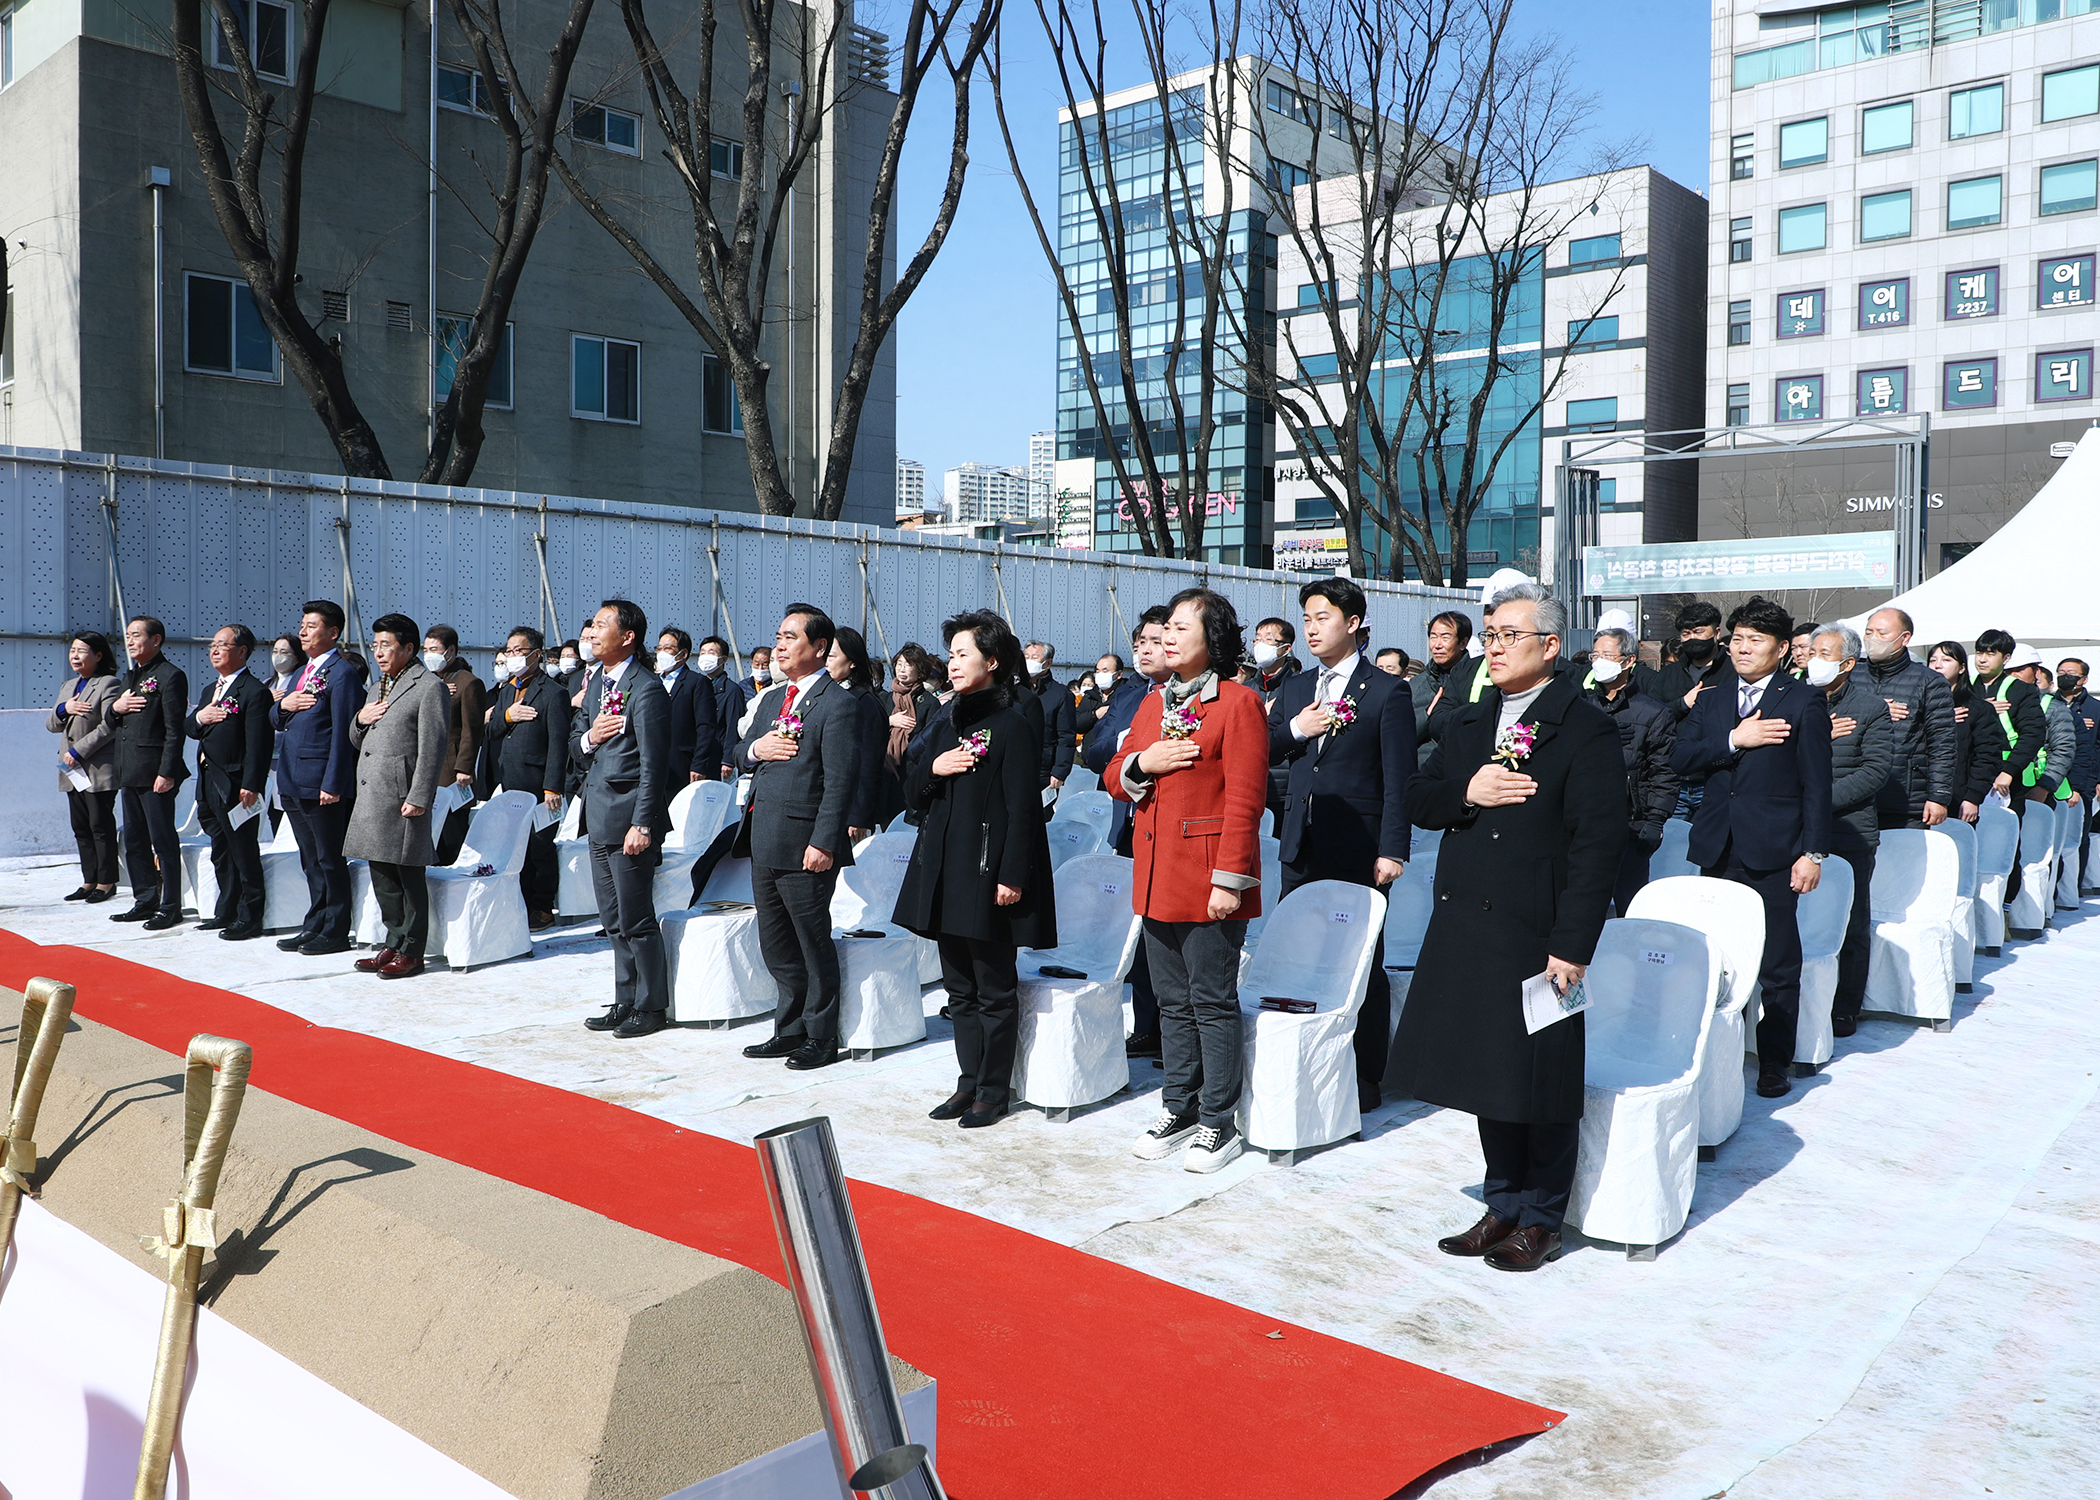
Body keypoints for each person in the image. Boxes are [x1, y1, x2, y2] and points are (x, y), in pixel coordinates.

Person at [1394, 581, 1626, 1273]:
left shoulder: (1585, 728)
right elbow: (1419, 798)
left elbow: (1598, 846)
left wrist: (1573, 946)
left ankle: (1542, 1217)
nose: (1491, 648)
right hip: (1469, 923)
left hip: (1542, 931)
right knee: (1487, 1071)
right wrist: (1468, 791)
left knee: (1545, 1074)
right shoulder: (1469, 722)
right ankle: (1503, 1200)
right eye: (1487, 636)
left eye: (1507, 637)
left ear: (1550, 647)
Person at [1106, 587, 1267, 1174]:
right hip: (1154, 875)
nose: (1166, 637)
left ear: (1212, 640)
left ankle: (1217, 1121)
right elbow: (1111, 776)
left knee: (1211, 1001)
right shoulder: (1154, 703)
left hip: (1207, 879)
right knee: (1171, 1002)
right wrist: (1140, 764)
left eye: (1179, 628)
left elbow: (1246, 800)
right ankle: (1180, 1106)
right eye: (1164, 628)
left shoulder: (1238, 703)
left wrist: (1230, 880)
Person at [894, 610, 1056, 1129]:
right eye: (952, 654)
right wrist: (933, 768)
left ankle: (993, 1088)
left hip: (988, 872)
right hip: (944, 866)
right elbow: (912, 787)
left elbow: (1024, 806)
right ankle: (967, 1082)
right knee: (958, 989)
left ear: (992, 661)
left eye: (963, 654)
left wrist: (1013, 875)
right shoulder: (948, 717)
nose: (953, 663)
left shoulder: (1014, 720)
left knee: (993, 988)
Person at [1672, 596, 1832, 1099]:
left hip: (1776, 848)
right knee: (1716, 954)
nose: (1742, 648)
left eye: (1755, 640)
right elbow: (1681, 757)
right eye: (1737, 639)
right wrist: (1734, 740)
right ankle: (1718, 1050)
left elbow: (1817, 784)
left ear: (1782, 649)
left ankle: (1774, 1060)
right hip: (1719, 845)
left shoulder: (1802, 700)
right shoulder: (1714, 695)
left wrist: (1814, 852)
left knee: (1778, 962)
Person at [1267, 576, 1415, 1110]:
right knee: (1300, 955)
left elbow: (1400, 776)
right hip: (1300, 842)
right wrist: (1297, 730)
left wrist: (1393, 848)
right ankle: (1309, 1060)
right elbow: (1266, 749)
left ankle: (1364, 1073)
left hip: (1360, 844)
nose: (1311, 627)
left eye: (1322, 617)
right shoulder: (1294, 687)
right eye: (1306, 618)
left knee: (1359, 960)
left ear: (1353, 624)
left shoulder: (1386, 690)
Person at [735, 604, 863, 1070]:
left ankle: (820, 1036)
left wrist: (824, 842)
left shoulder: (838, 704)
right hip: (764, 837)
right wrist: (755, 749)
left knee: (812, 943)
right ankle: (788, 1029)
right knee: (776, 943)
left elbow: (839, 781)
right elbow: (739, 750)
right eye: (778, 635)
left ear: (820, 646)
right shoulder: (772, 699)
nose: (780, 645)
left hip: (806, 843)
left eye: (791, 637)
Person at [576, 599, 676, 1037]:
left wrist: (643, 823)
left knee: (636, 919)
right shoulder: (598, 680)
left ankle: (651, 1006)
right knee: (612, 920)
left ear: (628, 636)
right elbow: (578, 742)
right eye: (592, 626)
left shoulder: (647, 687)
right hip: (598, 814)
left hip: (630, 819)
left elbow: (656, 764)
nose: (592, 634)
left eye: (601, 626)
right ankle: (625, 998)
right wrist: (589, 738)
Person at [1085, 606, 1173, 1059]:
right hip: (1130, 828)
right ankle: (1146, 1025)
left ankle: (1174, 1032)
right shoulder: (1128, 696)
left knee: (1168, 936)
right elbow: (1094, 748)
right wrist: (1127, 747)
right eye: (1139, 644)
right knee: (1138, 932)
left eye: (1155, 642)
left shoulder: (1186, 695)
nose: (1145, 651)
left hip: (1173, 829)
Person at [341, 614, 450, 979]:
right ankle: (394, 939)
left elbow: (433, 748)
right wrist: (360, 718)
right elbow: (359, 741)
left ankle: (413, 949)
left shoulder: (428, 686)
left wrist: (420, 795)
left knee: (408, 873)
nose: (379, 653)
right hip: (373, 791)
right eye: (375, 646)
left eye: (386, 645)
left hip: (403, 793)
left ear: (408, 647)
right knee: (381, 870)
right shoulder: (377, 686)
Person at [1809, 624, 1894, 1038]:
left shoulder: (1870, 707)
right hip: (1796, 829)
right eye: (1811, 651)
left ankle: (1845, 1007)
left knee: (1851, 922)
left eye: (1824, 653)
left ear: (1846, 663)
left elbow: (1875, 770)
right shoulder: (1794, 699)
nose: (1813, 660)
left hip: (1848, 831)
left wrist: (1818, 801)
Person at [272, 600, 367, 955]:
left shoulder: (341, 674)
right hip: (292, 778)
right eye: (302, 624)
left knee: (329, 858)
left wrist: (334, 783)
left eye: (312, 625)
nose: (303, 630)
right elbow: (276, 718)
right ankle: (314, 923)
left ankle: (336, 929)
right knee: (309, 858)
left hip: (320, 781)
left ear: (333, 632)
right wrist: (282, 705)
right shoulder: (301, 672)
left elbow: (345, 733)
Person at [183, 625, 274, 940]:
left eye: (223, 644)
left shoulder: (254, 691)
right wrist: (200, 718)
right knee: (220, 849)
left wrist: (252, 784)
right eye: (212, 644)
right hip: (208, 781)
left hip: (236, 784)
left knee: (243, 850)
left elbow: (259, 745)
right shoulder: (211, 690)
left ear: (243, 651)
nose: (214, 650)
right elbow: (190, 727)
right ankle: (226, 910)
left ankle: (250, 916)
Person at [478, 626, 571, 929]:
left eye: (519, 651)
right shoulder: (507, 691)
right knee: (516, 844)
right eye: (509, 651)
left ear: (537, 654)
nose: (512, 656)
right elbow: (490, 733)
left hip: (540, 782)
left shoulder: (553, 693)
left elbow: (559, 743)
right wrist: (506, 716)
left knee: (540, 846)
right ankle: (520, 901)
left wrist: (552, 786)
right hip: (511, 780)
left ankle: (542, 906)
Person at [104, 615, 191, 929]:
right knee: (134, 839)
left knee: (162, 840)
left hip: (155, 773)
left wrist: (167, 771)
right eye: (127, 635)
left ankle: (170, 905)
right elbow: (112, 721)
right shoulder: (129, 678)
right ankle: (144, 899)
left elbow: (174, 730)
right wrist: (115, 708)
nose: (129, 640)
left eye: (136, 634)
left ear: (156, 640)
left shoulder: (170, 676)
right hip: (130, 771)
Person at [1586, 626, 1678, 915]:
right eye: (1595, 655)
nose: (1599, 661)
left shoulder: (1653, 713)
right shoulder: (1582, 708)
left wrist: (1655, 821)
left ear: (1628, 661)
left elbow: (1664, 773)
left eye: (1607, 655)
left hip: (1632, 826)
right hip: (1586, 825)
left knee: (1631, 907)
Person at [1860, 608, 1957, 832]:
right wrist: (1876, 708)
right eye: (1868, 632)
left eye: (1881, 633)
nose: (1873, 639)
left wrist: (1938, 796)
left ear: (1904, 638)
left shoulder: (1930, 682)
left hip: (1905, 800)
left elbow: (1943, 743)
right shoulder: (1851, 676)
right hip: (1855, 797)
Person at [48, 629, 123, 904]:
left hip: (96, 767)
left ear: (98, 655)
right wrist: (63, 708)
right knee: (80, 826)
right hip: (71, 769)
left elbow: (109, 726)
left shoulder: (109, 684)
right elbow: (51, 725)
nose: (75, 656)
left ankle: (106, 882)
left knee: (100, 824)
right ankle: (88, 880)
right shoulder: (68, 687)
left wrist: (80, 750)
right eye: (72, 651)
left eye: (81, 651)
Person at [423, 624, 486, 867]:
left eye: (435, 649)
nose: (430, 655)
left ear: (450, 651)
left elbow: (472, 730)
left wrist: (465, 767)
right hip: (428, 767)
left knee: (450, 831)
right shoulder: (430, 680)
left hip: (451, 770)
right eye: (426, 649)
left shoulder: (468, 683)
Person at [1926, 640, 2007, 826]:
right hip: (1918, 795)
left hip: (1957, 796)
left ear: (1962, 668)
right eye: (1933, 660)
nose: (1938, 665)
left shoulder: (1978, 709)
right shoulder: (1918, 706)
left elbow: (1987, 756)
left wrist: (1973, 797)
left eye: (1946, 660)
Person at [825, 625, 889, 841]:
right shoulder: (824, 696)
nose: (826, 662)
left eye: (832, 656)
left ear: (852, 661)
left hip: (848, 810)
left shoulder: (865, 702)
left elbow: (869, 762)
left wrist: (859, 816)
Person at [879, 643, 942, 826]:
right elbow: (869, 731)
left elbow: (931, 742)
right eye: (899, 664)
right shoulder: (884, 699)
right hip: (884, 774)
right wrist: (889, 721)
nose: (902, 669)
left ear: (920, 670)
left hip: (910, 775)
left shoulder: (930, 703)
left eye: (908, 664)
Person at [655, 627, 723, 786]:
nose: (662, 653)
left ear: (683, 654)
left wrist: (699, 763)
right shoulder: (653, 682)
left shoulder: (697, 682)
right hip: (654, 763)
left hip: (682, 763)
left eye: (668, 649)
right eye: (659, 649)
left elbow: (706, 726)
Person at [1414, 610, 1484, 761]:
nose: (1437, 645)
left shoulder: (1478, 679)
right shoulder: (1416, 684)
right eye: (1433, 637)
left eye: (1445, 637)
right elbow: (1401, 733)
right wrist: (1426, 715)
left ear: (1463, 643)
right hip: (1422, 769)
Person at [2056, 657, 2099, 891]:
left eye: (2071, 673)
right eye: (2061, 672)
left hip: (2084, 778)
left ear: (2084, 679)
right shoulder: (2048, 704)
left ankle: (2074, 887)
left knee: (2079, 835)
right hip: (2054, 777)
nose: (2065, 676)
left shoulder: (2095, 708)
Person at [1022, 641, 1077, 792]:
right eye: (1026, 657)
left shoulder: (1061, 695)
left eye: (1034, 657)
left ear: (1048, 663)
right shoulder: (1016, 690)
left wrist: (1060, 771)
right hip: (1016, 764)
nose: (1029, 661)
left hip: (1044, 769)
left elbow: (1066, 736)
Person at [695, 635, 748, 779]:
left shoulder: (732, 690)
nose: (706, 656)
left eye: (711, 653)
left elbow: (733, 727)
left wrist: (728, 760)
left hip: (717, 756)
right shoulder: (699, 685)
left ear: (724, 659)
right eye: (702, 652)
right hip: (700, 755)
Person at [1074, 652, 1126, 731]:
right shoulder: (1090, 696)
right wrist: (1095, 715)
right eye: (1098, 671)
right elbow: (1076, 722)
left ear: (1118, 674)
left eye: (1105, 671)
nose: (1101, 674)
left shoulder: (1127, 694)